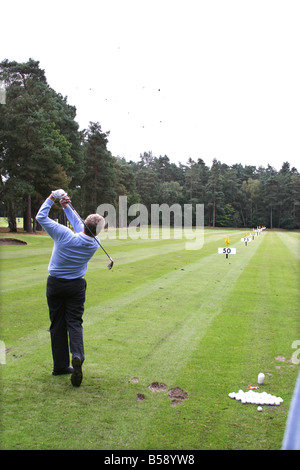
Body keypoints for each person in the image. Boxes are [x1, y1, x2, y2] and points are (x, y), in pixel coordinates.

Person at [36, 189, 104, 386]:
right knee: (74, 322)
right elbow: (82, 226)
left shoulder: (64, 235)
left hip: (56, 284)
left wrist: (51, 197)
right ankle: (78, 356)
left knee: (57, 324)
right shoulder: (95, 243)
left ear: (85, 225)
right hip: (76, 286)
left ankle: (60, 367)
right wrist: (66, 206)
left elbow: (41, 216)